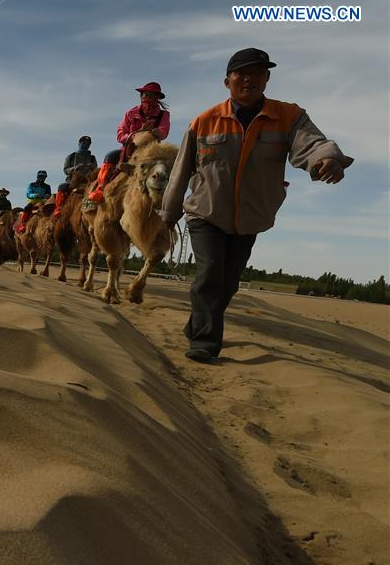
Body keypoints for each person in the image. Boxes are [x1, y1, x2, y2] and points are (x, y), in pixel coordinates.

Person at [158, 48, 352, 363]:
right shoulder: (204, 122)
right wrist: (169, 212)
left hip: (251, 216)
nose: (249, 79)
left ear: (267, 78)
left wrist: (325, 159)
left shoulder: (288, 116)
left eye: (258, 73)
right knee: (209, 272)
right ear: (227, 81)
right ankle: (205, 342)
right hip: (206, 212)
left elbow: (312, 144)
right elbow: (180, 171)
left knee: (228, 282)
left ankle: (198, 323)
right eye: (241, 74)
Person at [86, 82, 171, 208]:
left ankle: (170, 201)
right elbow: (120, 134)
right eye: (144, 95)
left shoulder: (163, 114)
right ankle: (99, 190)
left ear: (157, 98)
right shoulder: (131, 113)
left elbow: (164, 132)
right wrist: (135, 135)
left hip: (152, 150)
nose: (146, 97)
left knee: (171, 166)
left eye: (151, 95)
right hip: (130, 149)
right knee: (110, 157)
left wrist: (153, 132)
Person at [56, 135, 97, 217]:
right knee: (62, 187)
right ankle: (59, 209)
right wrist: (75, 168)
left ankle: (91, 210)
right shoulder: (71, 157)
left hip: (87, 181)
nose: (86, 145)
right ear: (79, 143)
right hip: (72, 181)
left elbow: (95, 171)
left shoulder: (92, 158)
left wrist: (93, 168)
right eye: (83, 143)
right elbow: (65, 170)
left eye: (88, 144)